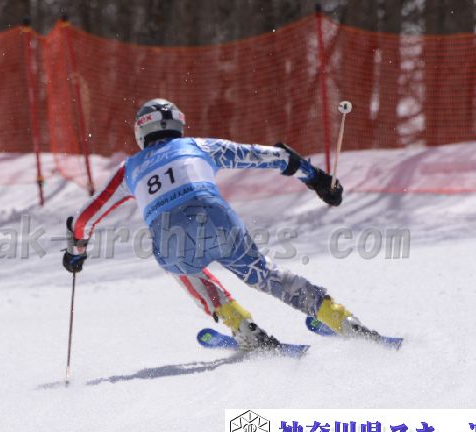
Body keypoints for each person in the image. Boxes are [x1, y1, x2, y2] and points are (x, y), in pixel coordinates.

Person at [63, 98, 384, 351]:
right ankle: (338, 317)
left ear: (140, 132)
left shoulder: (129, 168)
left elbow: (84, 218)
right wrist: (316, 178)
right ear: (178, 125)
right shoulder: (198, 146)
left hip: (169, 234)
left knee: (183, 268)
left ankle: (241, 325)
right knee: (265, 275)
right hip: (217, 218)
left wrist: (77, 251)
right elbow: (265, 156)